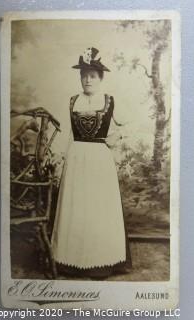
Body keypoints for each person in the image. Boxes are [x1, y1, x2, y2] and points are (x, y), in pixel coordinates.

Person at [51, 47, 132, 278]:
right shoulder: (72, 101)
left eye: (92, 76)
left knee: (98, 208)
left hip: (99, 160)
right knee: (76, 206)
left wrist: (112, 140)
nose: (88, 80)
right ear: (80, 78)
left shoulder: (110, 100)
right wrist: (60, 157)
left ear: (100, 78)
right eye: (84, 75)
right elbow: (67, 134)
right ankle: (71, 262)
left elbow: (126, 127)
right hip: (76, 158)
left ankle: (101, 263)